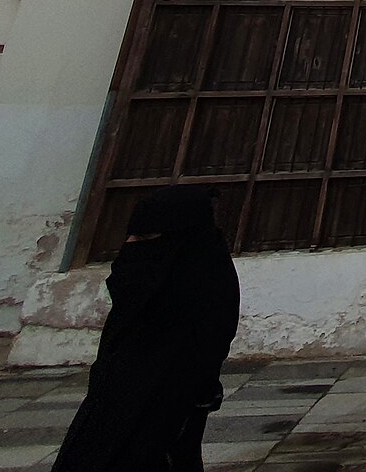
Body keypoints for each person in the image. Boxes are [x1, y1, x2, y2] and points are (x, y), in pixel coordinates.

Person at [52, 186, 241, 472]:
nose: (129, 247)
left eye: (144, 238)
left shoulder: (191, 298)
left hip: (159, 411)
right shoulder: (164, 288)